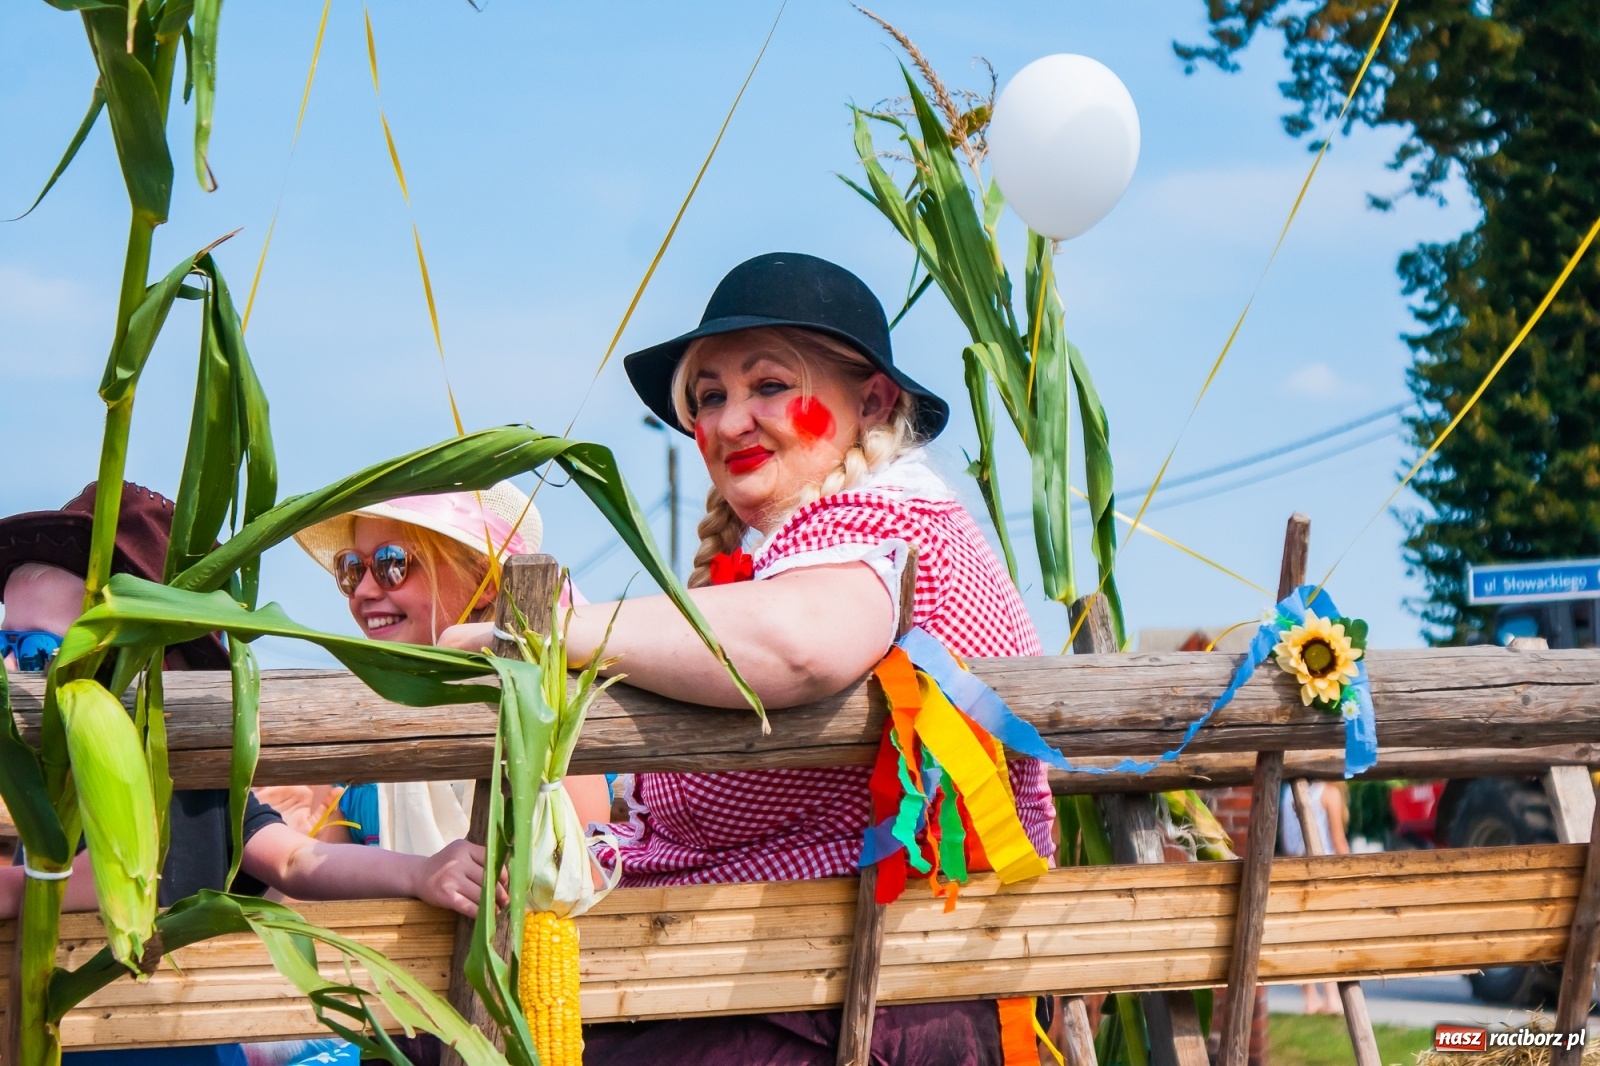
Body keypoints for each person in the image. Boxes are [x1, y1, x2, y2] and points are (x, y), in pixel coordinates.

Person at [440, 252, 1053, 1065]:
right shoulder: (798, 545)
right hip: (784, 976)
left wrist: (544, 633)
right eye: (710, 397)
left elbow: (798, 645)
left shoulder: (887, 521)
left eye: (768, 386)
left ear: (871, 400)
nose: (730, 422)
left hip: (866, 997)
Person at [0, 483, 503, 1066]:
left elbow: (283, 861)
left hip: (161, 1041)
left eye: (38, 653)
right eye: (4, 646)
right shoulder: (45, 782)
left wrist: (421, 873)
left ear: (142, 661)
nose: (12, 671)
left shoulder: (180, 782)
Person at [291, 482, 608, 853]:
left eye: (391, 564)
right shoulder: (360, 764)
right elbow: (317, 896)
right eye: (351, 569)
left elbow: (581, 868)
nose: (363, 591)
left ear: (485, 582)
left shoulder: (550, 712)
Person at [1280, 779, 1351, 1014]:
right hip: (1325, 872)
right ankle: (1332, 997)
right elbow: (1338, 843)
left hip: (1295, 871)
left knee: (1303, 940)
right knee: (1329, 938)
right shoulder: (1329, 793)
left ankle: (1311, 999)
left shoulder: (1287, 795)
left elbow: (1288, 843)